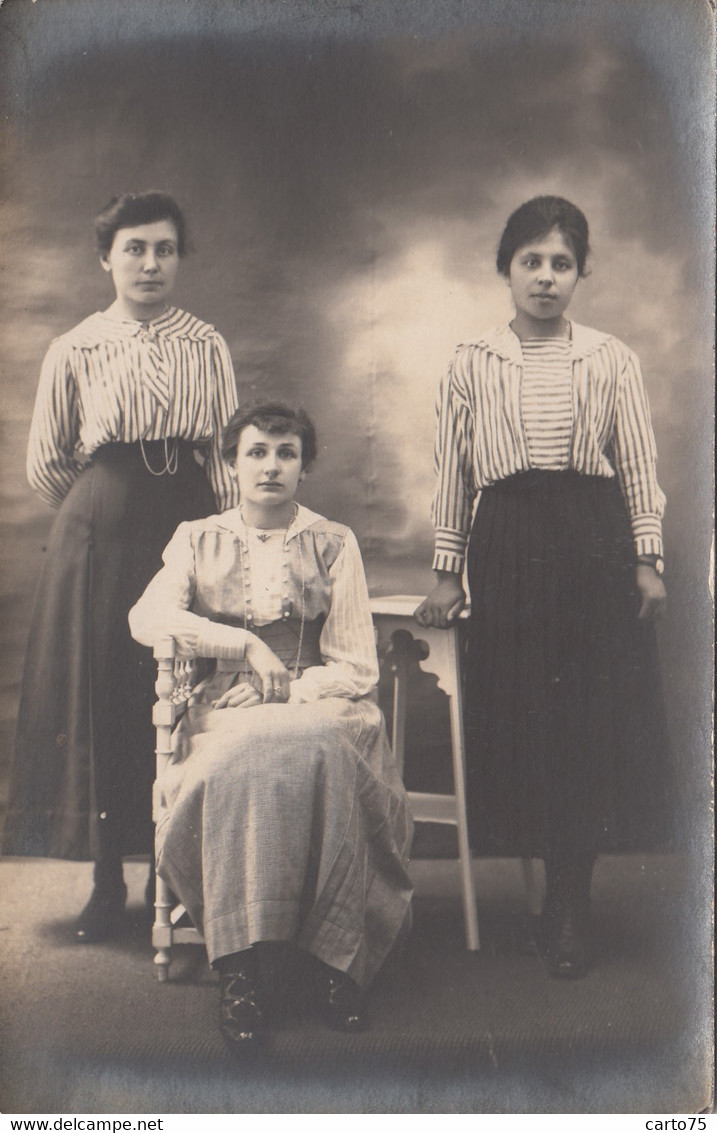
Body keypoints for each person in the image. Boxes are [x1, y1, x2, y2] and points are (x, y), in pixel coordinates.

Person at [415, 196, 672, 979]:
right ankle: (541, 890)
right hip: (508, 542)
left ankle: (569, 902)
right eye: (530, 260)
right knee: (526, 711)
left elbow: (634, 465)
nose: (545, 277)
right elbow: (453, 476)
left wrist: (646, 557)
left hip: (590, 541)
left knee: (586, 720)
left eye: (561, 262)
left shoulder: (610, 359)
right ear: (504, 269)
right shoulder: (469, 361)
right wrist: (445, 571)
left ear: (580, 273)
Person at [128, 403, 413, 1051]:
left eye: (286, 452)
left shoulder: (332, 541)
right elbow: (146, 616)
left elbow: (355, 664)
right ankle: (238, 968)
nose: (270, 465)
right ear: (231, 464)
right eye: (256, 451)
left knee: (325, 749)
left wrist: (292, 687)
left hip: (321, 699)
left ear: (304, 468)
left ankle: (334, 964)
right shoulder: (196, 537)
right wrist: (241, 647)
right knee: (230, 760)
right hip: (227, 702)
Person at [2, 191, 239, 944]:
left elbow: (228, 454)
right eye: (134, 248)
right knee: (107, 695)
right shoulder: (77, 346)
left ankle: (172, 878)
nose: (149, 263)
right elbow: (47, 463)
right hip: (103, 527)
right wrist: (105, 508)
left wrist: (221, 536)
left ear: (179, 258)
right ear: (105, 256)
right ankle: (108, 882)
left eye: (164, 249)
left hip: (190, 516)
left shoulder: (207, 343)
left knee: (188, 691)